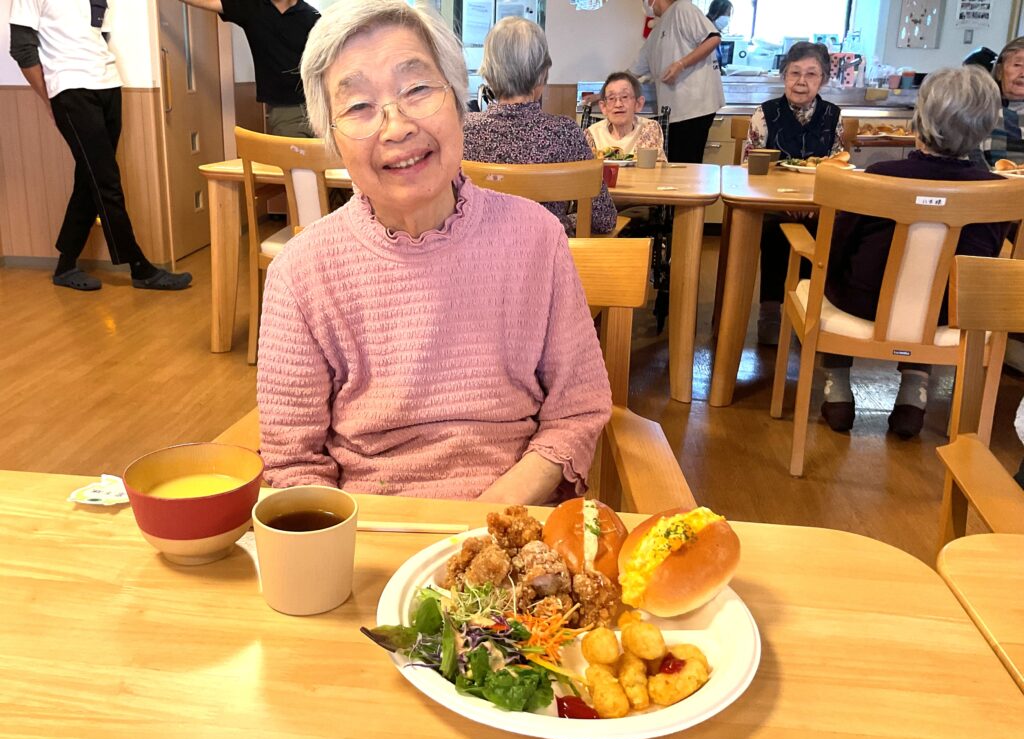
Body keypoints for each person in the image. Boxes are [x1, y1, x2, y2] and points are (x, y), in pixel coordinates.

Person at [256, 0, 612, 503]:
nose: (396, 126)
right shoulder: (300, 271)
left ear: (460, 100)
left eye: (418, 89)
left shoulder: (538, 238)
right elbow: (293, 462)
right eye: (358, 106)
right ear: (331, 137)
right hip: (366, 527)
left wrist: (481, 521)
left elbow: (577, 409)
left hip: (517, 519)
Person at [819, 67, 1007, 439]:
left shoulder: (879, 176)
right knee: (937, 287)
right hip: (951, 315)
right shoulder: (998, 191)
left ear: (920, 119)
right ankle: (914, 392)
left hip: (864, 304)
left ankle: (837, 386)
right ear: (986, 126)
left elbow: (838, 247)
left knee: (836, 270)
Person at [8, 0, 191, 291]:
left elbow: (99, 34)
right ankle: (138, 266)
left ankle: (65, 265)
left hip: (109, 85)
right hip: (71, 89)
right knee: (106, 181)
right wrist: (50, 99)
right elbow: (21, 48)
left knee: (90, 178)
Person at [462, 17, 617, 236]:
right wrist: (564, 221)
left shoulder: (463, 131)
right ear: (542, 75)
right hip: (545, 253)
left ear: (487, 74)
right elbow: (604, 218)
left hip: (480, 254)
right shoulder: (565, 132)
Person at [745, 42, 844, 345]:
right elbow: (749, 167)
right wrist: (782, 199)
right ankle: (770, 312)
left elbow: (838, 167)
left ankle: (813, 309)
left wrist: (816, 202)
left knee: (830, 228)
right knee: (776, 230)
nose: (801, 81)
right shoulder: (765, 114)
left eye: (811, 74)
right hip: (773, 202)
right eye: (794, 73)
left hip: (818, 202)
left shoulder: (833, 115)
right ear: (784, 76)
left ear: (823, 79)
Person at [176, 0, 320, 138]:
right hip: (286, 110)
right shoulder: (251, 8)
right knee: (293, 154)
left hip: (320, 104)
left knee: (327, 154)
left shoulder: (312, 17)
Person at [630, 0, 724, 164]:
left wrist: (681, 64)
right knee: (674, 164)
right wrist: (603, 93)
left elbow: (713, 38)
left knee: (686, 165)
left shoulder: (682, 8)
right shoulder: (656, 32)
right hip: (674, 111)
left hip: (694, 107)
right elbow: (633, 72)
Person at [585, 71, 666, 162]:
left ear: (638, 104)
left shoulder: (649, 128)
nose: (618, 104)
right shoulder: (592, 134)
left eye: (624, 97)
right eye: (611, 98)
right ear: (603, 107)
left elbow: (647, 166)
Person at [977, 37, 1024, 168]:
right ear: (999, 71)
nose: (1023, 74)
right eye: (1017, 65)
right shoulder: (979, 110)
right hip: (987, 178)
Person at [705, 0, 733, 73]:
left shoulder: (715, 34)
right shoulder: (705, 34)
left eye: (729, 15)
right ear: (714, 13)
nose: (727, 18)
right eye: (726, 14)